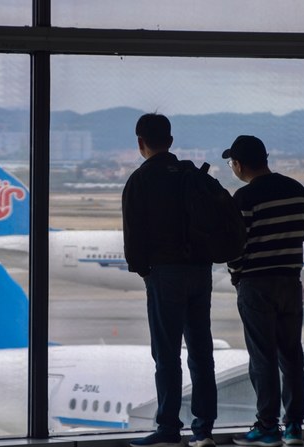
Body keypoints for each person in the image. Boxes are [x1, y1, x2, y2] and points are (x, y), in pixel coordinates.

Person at [123, 113, 217, 447]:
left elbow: (134, 237)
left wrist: (144, 271)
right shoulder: (192, 175)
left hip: (165, 275)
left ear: (140, 142)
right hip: (200, 271)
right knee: (201, 350)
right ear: (171, 141)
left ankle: (168, 428)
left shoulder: (141, 179)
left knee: (166, 354)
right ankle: (204, 429)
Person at [222, 135, 304, 447]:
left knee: (262, 358)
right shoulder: (296, 189)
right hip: (290, 282)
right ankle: (294, 428)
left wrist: (237, 275)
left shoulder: (243, 198)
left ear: (238, 164)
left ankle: (267, 427)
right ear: (266, 157)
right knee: (291, 355)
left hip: (256, 285)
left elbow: (235, 247)